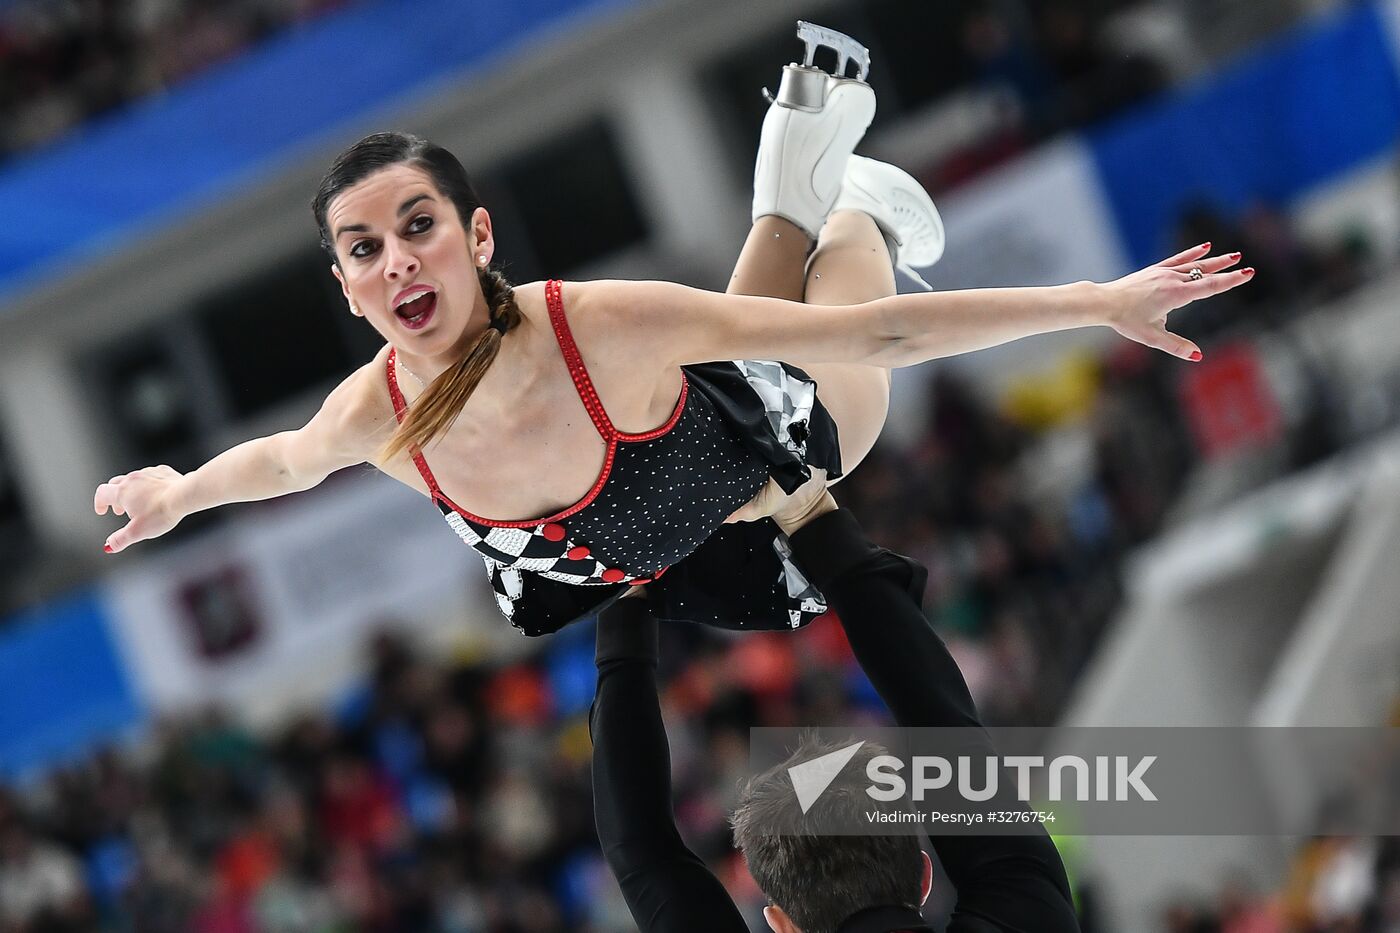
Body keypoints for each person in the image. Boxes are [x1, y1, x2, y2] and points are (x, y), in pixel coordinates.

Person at [93, 23, 1251, 638]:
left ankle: (854, 203)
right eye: (363, 249)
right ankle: (792, 191)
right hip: (670, 551)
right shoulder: (375, 415)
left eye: (417, 225)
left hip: (778, 452)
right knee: (740, 344)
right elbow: (282, 462)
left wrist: (1097, 303)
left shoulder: (591, 324)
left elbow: (885, 343)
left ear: (478, 236)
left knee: (813, 329)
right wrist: (178, 491)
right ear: (347, 289)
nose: (396, 259)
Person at [590, 485, 1080, 933]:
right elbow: (642, 854)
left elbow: (943, 723)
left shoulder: (1032, 914)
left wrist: (812, 516)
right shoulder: (1029, 909)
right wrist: (622, 617)